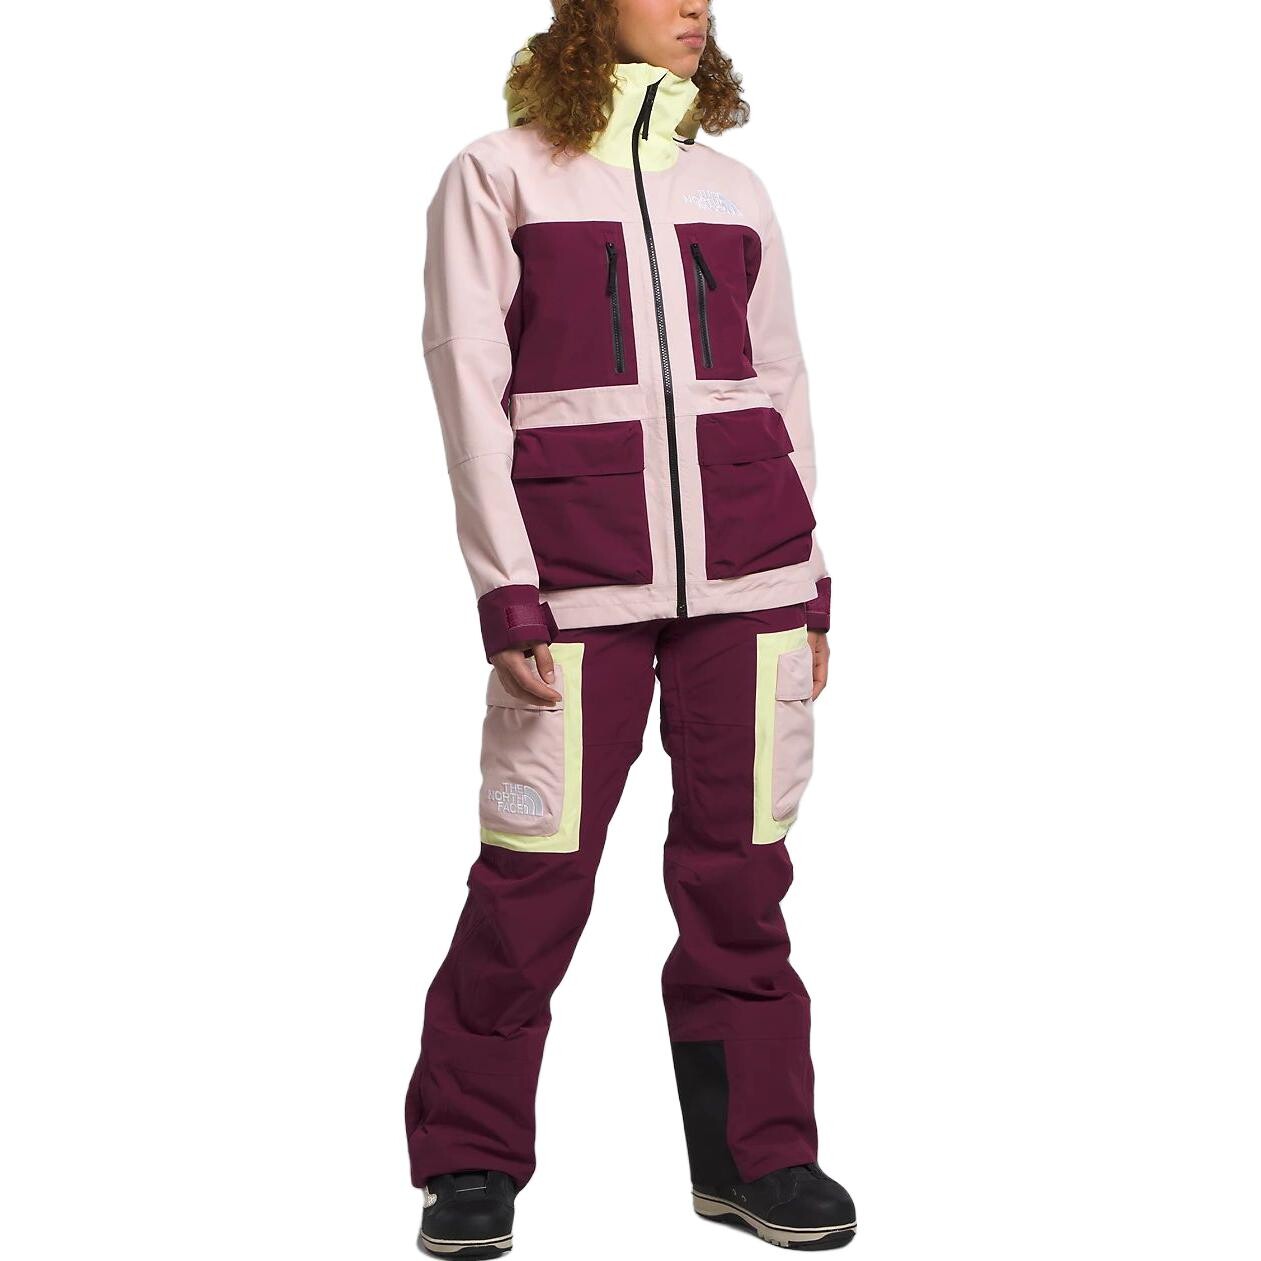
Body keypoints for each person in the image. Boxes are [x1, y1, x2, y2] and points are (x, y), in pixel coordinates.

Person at [405, 1, 857, 1253]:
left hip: (751, 581)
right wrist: (505, 586)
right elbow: (466, 380)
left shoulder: (733, 188)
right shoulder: (498, 175)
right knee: (533, 875)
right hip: (571, 581)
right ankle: (469, 1156)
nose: (694, 7)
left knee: (741, 877)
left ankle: (758, 1157)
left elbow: (778, 385)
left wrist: (809, 578)